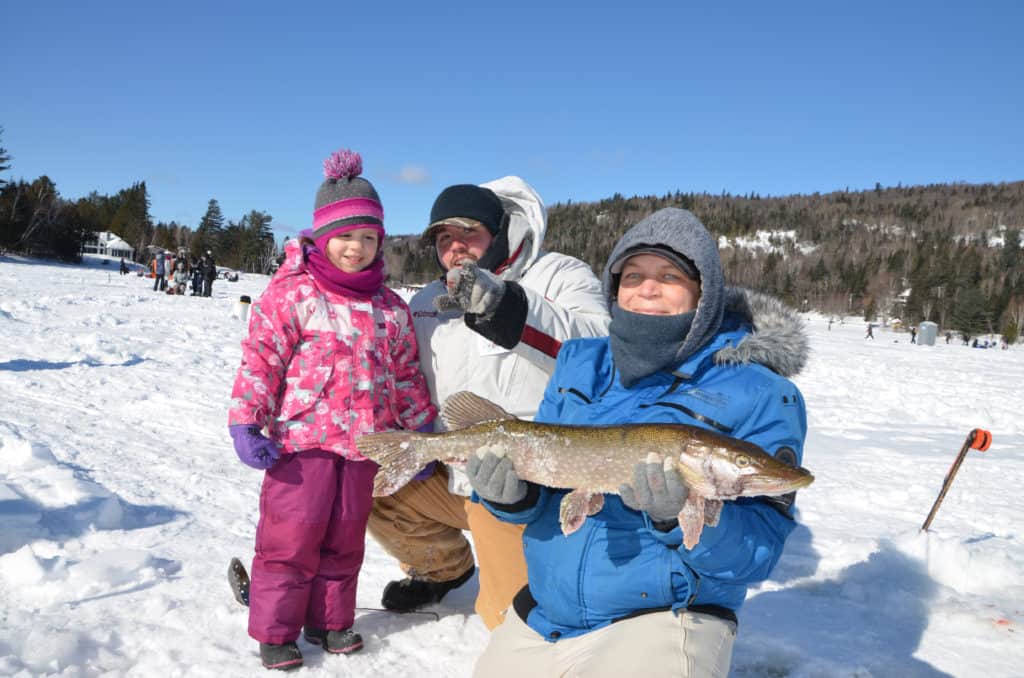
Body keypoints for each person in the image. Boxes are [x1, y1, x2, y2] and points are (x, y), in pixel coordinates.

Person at [469, 208, 809, 678]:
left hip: (662, 619)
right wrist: (514, 496)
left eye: (669, 276)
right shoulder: (578, 363)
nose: (647, 288)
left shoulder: (762, 393)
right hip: (548, 612)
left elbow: (758, 552)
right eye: (633, 275)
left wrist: (679, 518)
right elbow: (551, 479)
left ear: (703, 294)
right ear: (615, 289)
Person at [366, 177, 610, 630]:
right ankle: (442, 569)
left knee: (515, 622)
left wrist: (508, 308)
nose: (455, 247)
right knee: (363, 477)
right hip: (452, 470)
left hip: (530, 484)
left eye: (468, 234)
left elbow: (601, 354)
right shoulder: (424, 302)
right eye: (444, 238)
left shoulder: (558, 275)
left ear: (499, 233)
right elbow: (403, 379)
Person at [227, 149, 436, 671]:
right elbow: (262, 360)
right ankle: (276, 629)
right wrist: (246, 419)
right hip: (301, 444)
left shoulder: (390, 306)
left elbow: (407, 374)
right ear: (321, 236)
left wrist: (421, 434)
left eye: (368, 238)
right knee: (291, 537)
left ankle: (329, 621)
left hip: (365, 443)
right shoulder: (293, 294)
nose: (356, 248)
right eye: (345, 236)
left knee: (345, 538)